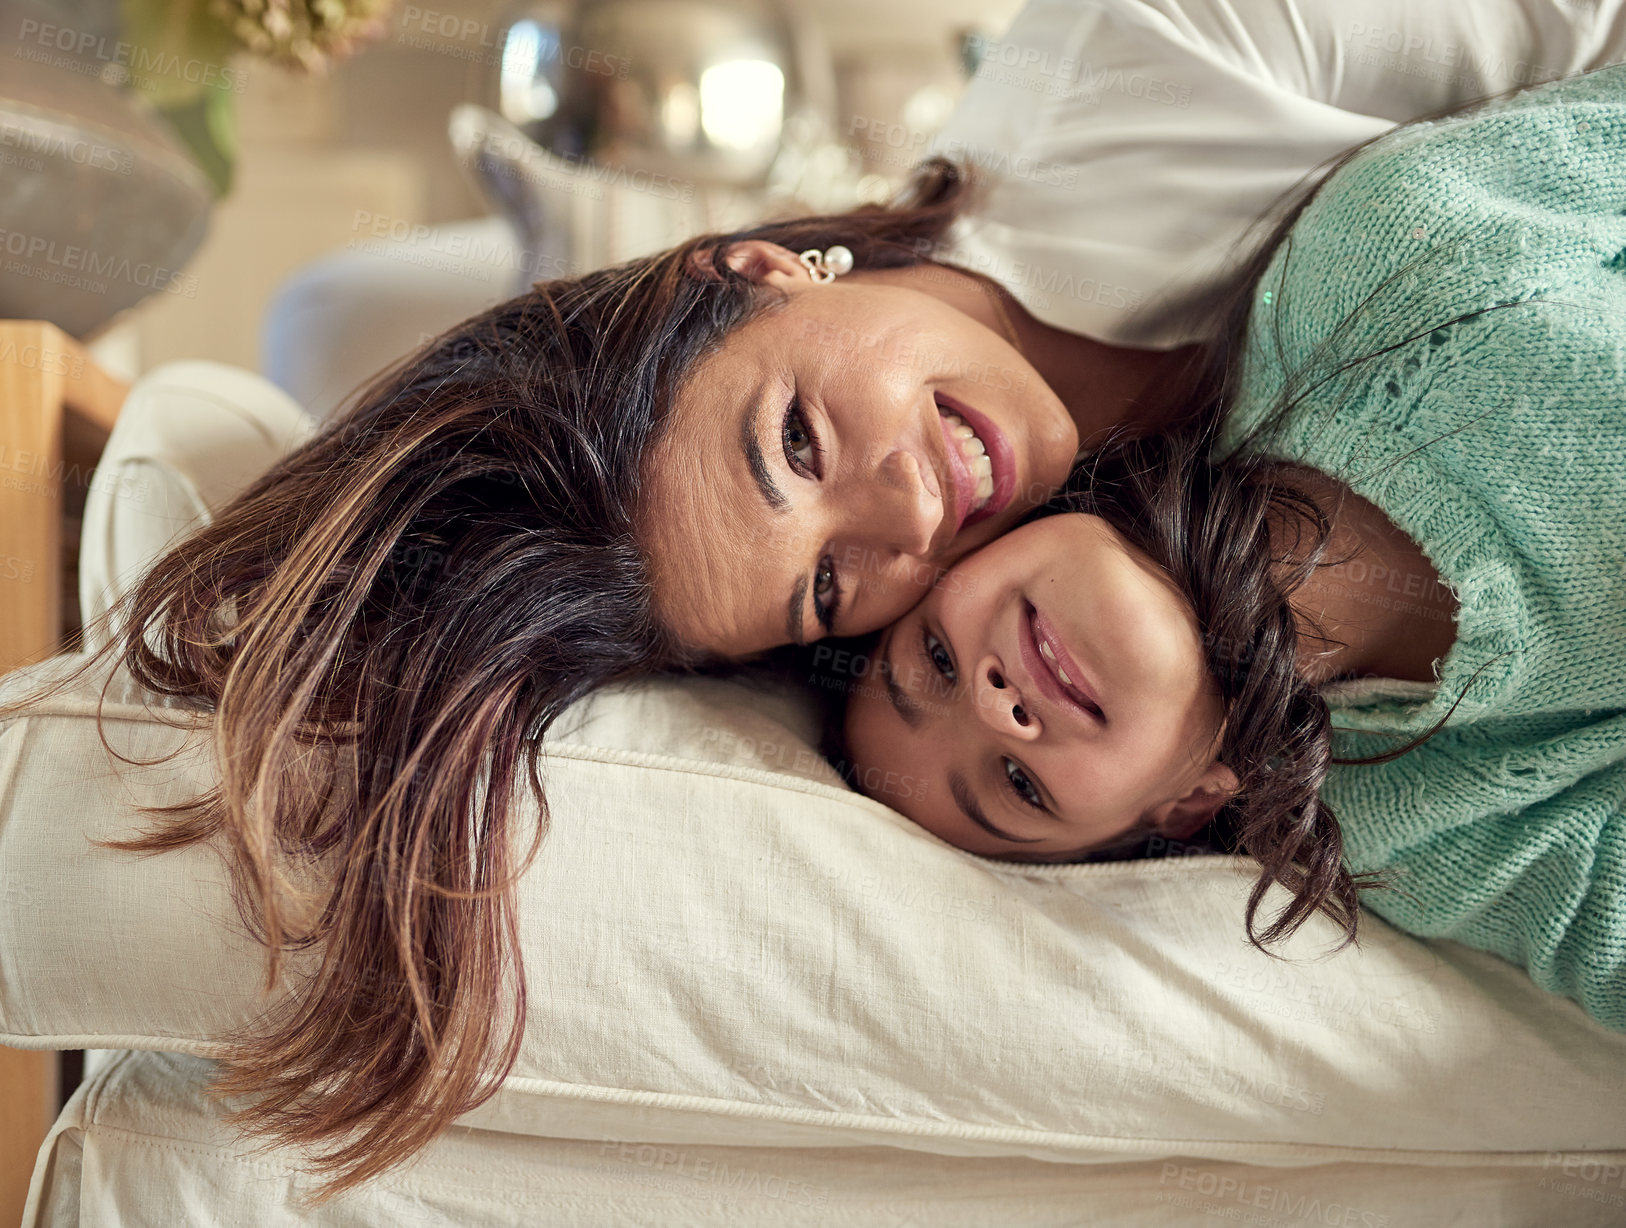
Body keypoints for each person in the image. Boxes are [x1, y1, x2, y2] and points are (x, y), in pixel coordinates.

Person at [17, 0, 1626, 1198]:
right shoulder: (1375, 771)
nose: (914, 513)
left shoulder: (1184, 58)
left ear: (757, 265)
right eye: (840, 594)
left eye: (796, 436)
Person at [836, 64, 1626, 1031]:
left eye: (937, 658)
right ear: (1184, 803)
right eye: (1017, 785)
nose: (997, 709)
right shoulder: (1409, 837)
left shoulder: (1376, 266)